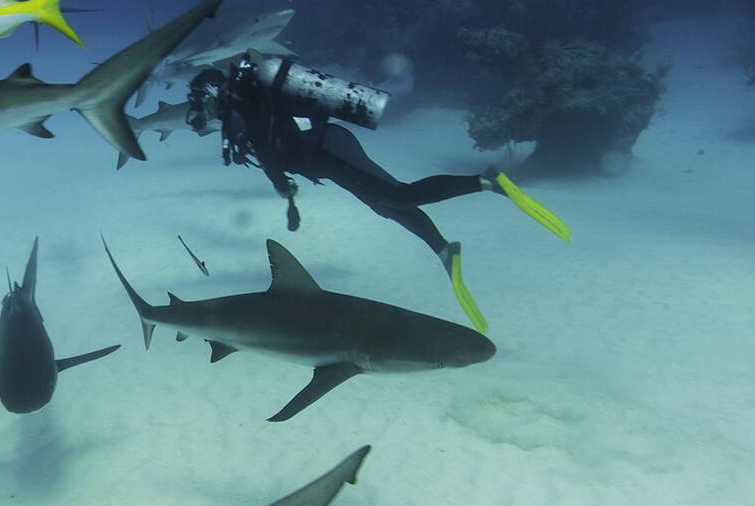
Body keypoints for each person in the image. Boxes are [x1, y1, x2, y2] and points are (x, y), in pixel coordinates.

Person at [186, 53, 570, 334]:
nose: (201, 111)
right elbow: (270, 146)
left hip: (330, 150)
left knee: (399, 196)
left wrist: (283, 191)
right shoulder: (242, 107)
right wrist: (288, 197)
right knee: (386, 204)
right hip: (322, 160)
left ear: (211, 90)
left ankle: (488, 182)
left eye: (200, 102)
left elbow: (266, 149)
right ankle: (443, 249)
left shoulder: (245, 100)